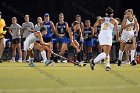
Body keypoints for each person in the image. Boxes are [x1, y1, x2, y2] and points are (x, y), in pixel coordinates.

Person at [90, 7, 119, 71]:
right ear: (112, 14)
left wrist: (95, 33)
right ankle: (97, 62)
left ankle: (103, 64)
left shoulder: (101, 19)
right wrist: (117, 38)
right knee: (106, 52)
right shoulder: (114, 21)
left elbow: (94, 26)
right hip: (108, 36)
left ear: (106, 13)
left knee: (106, 52)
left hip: (102, 35)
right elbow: (117, 31)